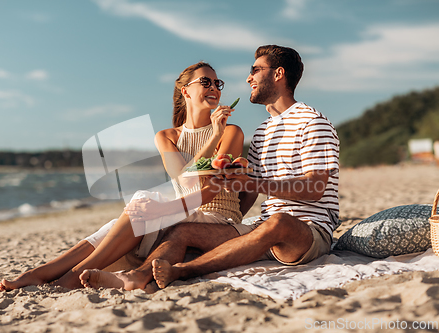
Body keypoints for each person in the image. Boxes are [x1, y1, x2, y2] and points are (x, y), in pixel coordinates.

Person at [81, 44, 339, 290]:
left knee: (279, 222)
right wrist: (232, 216)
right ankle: (139, 276)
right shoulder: (262, 133)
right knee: (182, 231)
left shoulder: (312, 122)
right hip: (262, 227)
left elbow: (314, 188)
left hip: (309, 230)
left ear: (279, 74)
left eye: (256, 70)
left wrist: (250, 183)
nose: (249, 78)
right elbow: (248, 194)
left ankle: (183, 270)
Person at [0, 61, 244, 291]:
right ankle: (45, 272)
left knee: (139, 208)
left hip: (216, 217)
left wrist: (215, 134)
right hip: (181, 210)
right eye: (205, 82)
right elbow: (182, 177)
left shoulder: (230, 133)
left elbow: (203, 185)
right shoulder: (166, 136)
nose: (214, 88)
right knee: (122, 220)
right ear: (185, 91)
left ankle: (68, 275)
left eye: (217, 83)